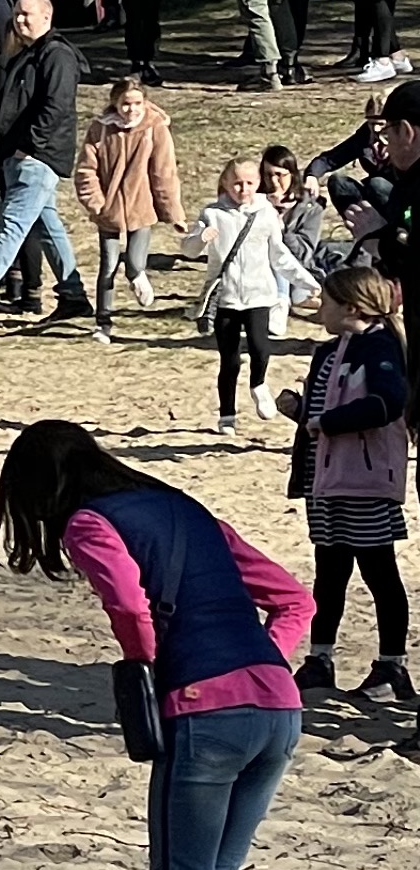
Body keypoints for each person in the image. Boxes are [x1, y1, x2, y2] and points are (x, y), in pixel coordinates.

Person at [0, 421, 314, 870]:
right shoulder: (188, 508)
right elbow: (294, 599)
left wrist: (147, 669)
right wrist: (262, 662)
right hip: (278, 707)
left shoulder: (88, 522)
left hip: (205, 715)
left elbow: (130, 610)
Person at [278, 260, 412, 700]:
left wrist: (328, 422)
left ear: (351, 306)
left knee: (379, 572)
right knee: (329, 572)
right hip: (326, 481)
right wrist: (300, 412)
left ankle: (392, 668)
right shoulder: (327, 351)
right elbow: (318, 419)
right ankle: (319, 660)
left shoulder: (381, 349)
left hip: (365, 481)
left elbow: (388, 404)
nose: (320, 307)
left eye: (327, 300)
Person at [0, 0, 91, 323]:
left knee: (14, 222)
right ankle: (73, 296)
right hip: (19, 154)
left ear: (47, 18)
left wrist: (29, 146)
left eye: (27, 14)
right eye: (17, 14)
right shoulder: (26, 55)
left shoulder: (56, 56)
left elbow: (56, 107)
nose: (19, 20)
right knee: (47, 225)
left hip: (38, 157)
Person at [74, 76, 185, 341]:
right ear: (115, 103)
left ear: (145, 103)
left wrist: (174, 213)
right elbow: (86, 170)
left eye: (137, 103)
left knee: (134, 263)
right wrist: (97, 203)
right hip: (109, 211)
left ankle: (138, 277)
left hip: (141, 208)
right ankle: (103, 322)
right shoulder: (101, 129)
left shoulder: (154, 128)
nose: (131, 110)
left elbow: (164, 172)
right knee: (108, 266)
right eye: (125, 104)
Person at [193, 157, 294, 436]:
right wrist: (200, 238)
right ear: (225, 183)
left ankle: (259, 384)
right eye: (237, 183)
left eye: (249, 183)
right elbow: (189, 249)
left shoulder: (266, 212)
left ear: (258, 183)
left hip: (258, 295)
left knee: (261, 348)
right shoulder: (212, 213)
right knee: (230, 360)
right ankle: (227, 415)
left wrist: (306, 282)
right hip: (226, 298)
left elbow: (279, 253)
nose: (243, 188)